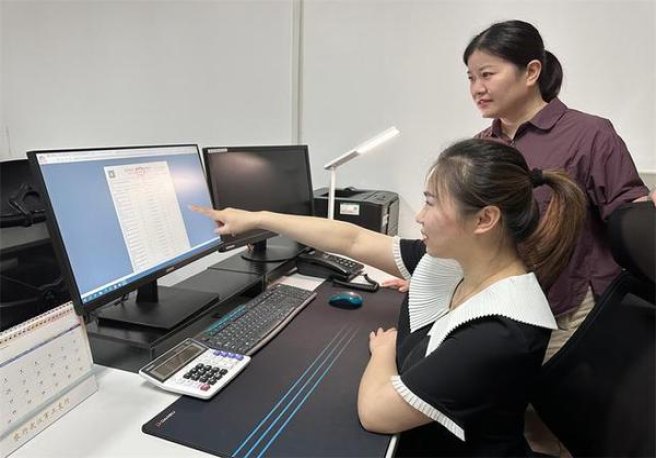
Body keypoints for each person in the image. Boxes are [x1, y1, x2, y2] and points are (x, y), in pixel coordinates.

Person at [192, 138, 586, 456]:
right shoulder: (463, 265)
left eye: (431, 202)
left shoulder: (502, 331)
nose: (419, 216)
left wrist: (384, 353)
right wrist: (259, 218)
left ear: (484, 219)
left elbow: (376, 413)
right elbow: (353, 239)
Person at [386, 19, 653, 360]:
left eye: (487, 74)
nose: (477, 88)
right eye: (471, 78)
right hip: (500, 305)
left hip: (568, 308)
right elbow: (474, 232)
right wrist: (435, 280)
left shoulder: (590, 134)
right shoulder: (482, 147)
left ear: (531, 72)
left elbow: (631, 224)